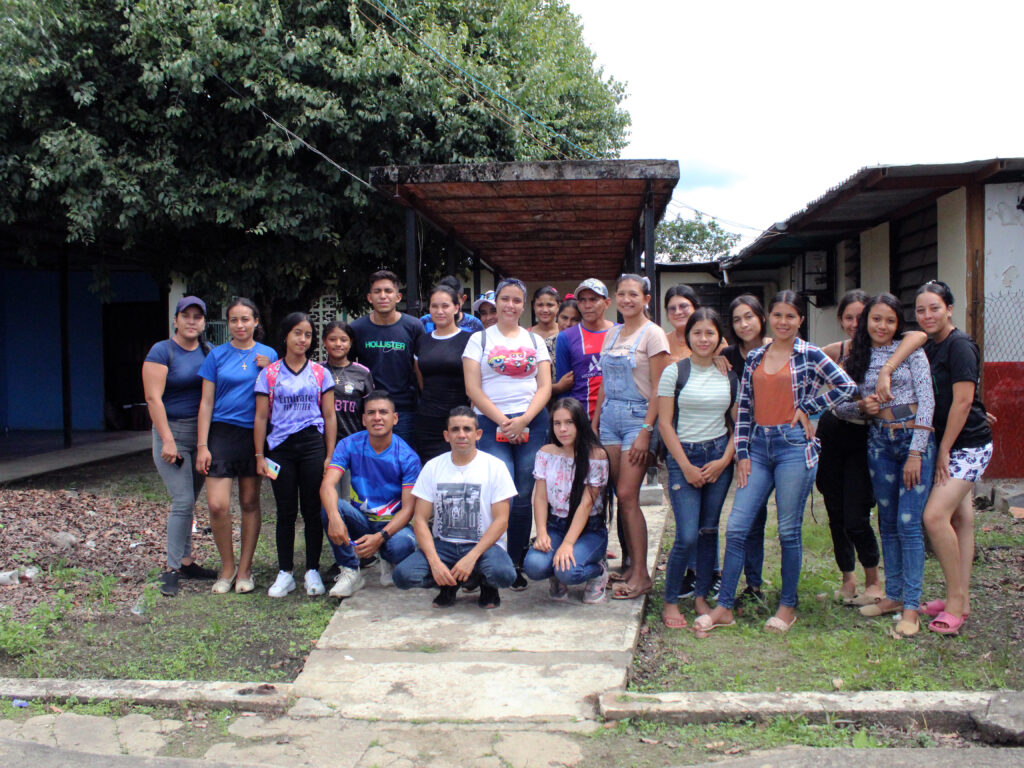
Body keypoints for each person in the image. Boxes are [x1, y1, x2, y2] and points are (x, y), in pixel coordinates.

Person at [695, 291, 857, 634]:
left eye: (791, 316)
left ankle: (787, 606)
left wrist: (810, 406)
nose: (783, 321)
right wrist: (741, 452)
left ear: (800, 320)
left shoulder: (809, 353)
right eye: (778, 315)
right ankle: (724, 606)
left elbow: (846, 386)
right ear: (769, 317)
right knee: (737, 527)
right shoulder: (755, 357)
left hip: (793, 448)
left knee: (787, 531)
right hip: (758, 448)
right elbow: (744, 409)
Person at [877, 281, 994, 635]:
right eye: (921, 309)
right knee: (961, 519)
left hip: (965, 446)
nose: (927, 316)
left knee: (934, 516)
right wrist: (884, 376)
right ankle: (961, 598)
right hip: (945, 438)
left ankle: (956, 603)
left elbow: (961, 402)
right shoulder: (927, 341)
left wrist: (943, 449)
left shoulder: (959, 345)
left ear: (950, 309)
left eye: (935, 308)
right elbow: (909, 344)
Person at [835, 293, 935, 636]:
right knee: (888, 521)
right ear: (866, 322)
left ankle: (912, 608)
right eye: (876, 319)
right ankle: (892, 595)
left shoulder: (911, 351)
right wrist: (862, 408)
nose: (882, 326)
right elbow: (839, 406)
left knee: (909, 524)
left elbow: (927, 403)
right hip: (879, 442)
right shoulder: (857, 357)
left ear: (898, 324)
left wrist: (916, 453)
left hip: (911, 440)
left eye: (890, 320)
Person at [463, 277, 552, 589]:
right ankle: (488, 559)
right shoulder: (479, 340)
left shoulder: (534, 341)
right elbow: (472, 388)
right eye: (505, 299)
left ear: (522, 305)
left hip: (532, 421)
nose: (510, 305)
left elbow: (545, 386)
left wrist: (524, 419)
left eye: (517, 300)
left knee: (525, 493)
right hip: (490, 422)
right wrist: (504, 421)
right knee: (499, 495)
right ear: (495, 302)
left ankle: (514, 560)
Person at [657, 308, 737, 628]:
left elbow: (738, 423)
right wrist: (686, 466)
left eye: (710, 333)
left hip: (718, 455)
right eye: (697, 333)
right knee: (687, 535)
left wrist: (724, 460)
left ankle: (702, 594)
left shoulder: (728, 373)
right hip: (683, 459)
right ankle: (671, 600)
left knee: (708, 531)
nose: (703, 339)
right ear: (687, 336)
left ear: (719, 338)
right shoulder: (674, 372)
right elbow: (664, 424)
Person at [393, 406, 518, 609]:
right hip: (444, 545)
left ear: (478, 434)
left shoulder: (495, 467)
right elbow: (421, 520)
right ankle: (449, 583)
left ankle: (485, 583)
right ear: (446, 435)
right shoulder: (433, 467)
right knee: (403, 576)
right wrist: (434, 562)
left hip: (483, 545)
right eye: (455, 429)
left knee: (503, 575)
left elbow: (501, 521)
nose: (461, 434)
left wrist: (472, 557)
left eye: (467, 429)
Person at [593, 274, 670, 600]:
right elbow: (605, 384)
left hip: (638, 418)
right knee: (616, 493)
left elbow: (660, 389)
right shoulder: (611, 333)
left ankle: (641, 574)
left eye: (633, 294)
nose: (627, 300)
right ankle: (627, 566)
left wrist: (645, 432)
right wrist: (595, 423)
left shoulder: (653, 335)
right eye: (621, 294)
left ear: (646, 299)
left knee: (627, 495)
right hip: (610, 418)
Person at [196, 297, 278, 594]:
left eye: (246, 319)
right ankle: (227, 567)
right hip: (221, 434)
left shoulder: (269, 354)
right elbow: (205, 402)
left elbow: (278, 395)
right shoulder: (216, 356)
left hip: (254, 435)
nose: (240, 325)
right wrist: (202, 445)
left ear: (256, 322)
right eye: (234, 320)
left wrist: (271, 369)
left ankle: (245, 570)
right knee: (217, 505)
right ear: (228, 324)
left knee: (249, 502)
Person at [254, 313, 337, 598]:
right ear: (286, 335)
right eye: (297, 333)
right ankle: (285, 572)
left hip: (312, 445)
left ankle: (312, 569)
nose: (303, 339)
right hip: (280, 449)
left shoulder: (320, 373)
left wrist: (330, 453)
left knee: (312, 509)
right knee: (286, 511)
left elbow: (328, 415)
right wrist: (259, 455)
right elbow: (262, 417)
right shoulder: (270, 374)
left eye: (308, 335)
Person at [142, 296, 217, 596]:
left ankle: (187, 561)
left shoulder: (207, 351)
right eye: (186, 315)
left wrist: (203, 444)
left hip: (199, 435)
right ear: (176, 320)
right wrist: (168, 440)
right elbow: (152, 398)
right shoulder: (162, 351)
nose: (191, 321)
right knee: (183, 500)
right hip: (169, 433)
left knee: (190, 501)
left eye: (197, 317)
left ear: (203, 323)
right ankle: (172, 568)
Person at [814, 290, 883, 605]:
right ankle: (847, 580)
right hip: (831, 434)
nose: (856, 323)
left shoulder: (885, 352)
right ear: (841, 320)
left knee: (857, 515)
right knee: (835, 511)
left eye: (862, 316)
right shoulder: (832, 351)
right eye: (849, 317)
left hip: (864, 439)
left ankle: (873, 581)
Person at [319, 391, 421, 598]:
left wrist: (380, 537)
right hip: (361, 521)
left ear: (395, 418)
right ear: (363, 419)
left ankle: (386, 557)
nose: (377, 417)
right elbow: (327, 485)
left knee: (402, 546)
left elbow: (409, 509)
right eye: (371, 413)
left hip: (392, 525)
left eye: (383, 412)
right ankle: (350, 571)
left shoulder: (407, 456)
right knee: (330, 506)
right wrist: (335, 518)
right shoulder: (348, 445)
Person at [522, 397, 611, 604]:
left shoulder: (596, 455)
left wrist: (568, 544)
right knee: (533, 566)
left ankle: (598, 570)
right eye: (557, 423)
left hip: (589, 528)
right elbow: (541, 498)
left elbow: (586, 504)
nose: (563, 429)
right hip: (556, 524)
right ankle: (556, 571)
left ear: (580, 423)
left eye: (569, 423)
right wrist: (542, 533)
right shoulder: (546, 453)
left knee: (568, 571)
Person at [719, 295, 771, 608]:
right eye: (737, 319)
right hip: (736, 440)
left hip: (770, 441)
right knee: (742, 517)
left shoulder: (777, 347)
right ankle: (742, 584)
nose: (744, 324)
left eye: (749, 316)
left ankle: (754, 583)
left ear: (761, 317)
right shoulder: (726, 354)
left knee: (756, 517)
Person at [350, 270, 423, 447]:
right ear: (369, 297)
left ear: (398, 297)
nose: (383, 296)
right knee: (372, 461)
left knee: (403, 461)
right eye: (377, 291)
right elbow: (349, 368)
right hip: (370, 408)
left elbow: (420, 368)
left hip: (404, 408)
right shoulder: (357, 328)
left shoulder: (414, 326)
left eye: (388, 291)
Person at [414, 282, 472, 463]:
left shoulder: (470, 340)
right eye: (435, 306)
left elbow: (475, 384)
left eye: (445, 306)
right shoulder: (422, 341)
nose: (440, 311)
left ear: (456, 307)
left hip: (459, 419)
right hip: (427, 420)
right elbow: (421, 380)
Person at [553, 279, 614, 417]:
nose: (587, 305)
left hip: (616, 419)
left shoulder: (620, 332)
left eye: (593, 299)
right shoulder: (566, 337)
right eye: (582, 300)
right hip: (581, 418)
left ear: (607, 303)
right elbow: (564, 387)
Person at [322, 321, 374, 441]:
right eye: (332, 339)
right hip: (321, 443)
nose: (338, 344)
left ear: (350, 343)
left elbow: (369, 409)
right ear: (324, 341)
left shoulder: (362, 372)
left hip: (354, 439)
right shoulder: (317, 371)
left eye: (344, 340)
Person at [419, 275, 484, 334]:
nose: (440, 311)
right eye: (435, 306)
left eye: (446, 305)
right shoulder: (425, 322)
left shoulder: (474, 324)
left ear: (463, 299)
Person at [663, 284, 700, 362]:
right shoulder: (662, 342)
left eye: (683, 306)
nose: (677, 312)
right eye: (672, 308)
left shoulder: (712, 339)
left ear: (695, 308)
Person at [529, 285, 561, 359]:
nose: (545, 310)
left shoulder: (565, 334)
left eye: (550, 305)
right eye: (540, 305)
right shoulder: (526, 335)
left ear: (558, 307)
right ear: (534, 307)